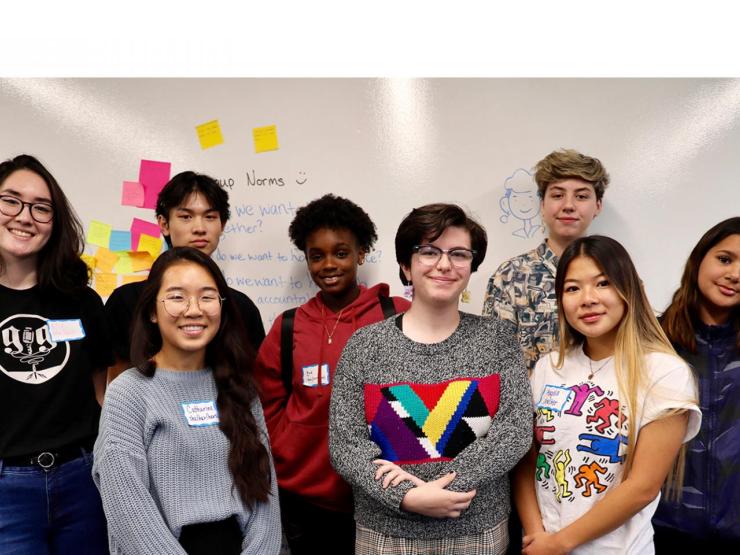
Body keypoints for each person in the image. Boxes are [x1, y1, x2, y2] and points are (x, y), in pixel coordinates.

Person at [329, 203, 532, 555]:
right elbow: (346, 445)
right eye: (428, 251)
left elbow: (514, 432)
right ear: (406, 267)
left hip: (479, 532)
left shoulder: (497, 340)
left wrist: (441, 488)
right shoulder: (364, 346)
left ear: (471, 267)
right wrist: (406, 496)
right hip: (384, 535)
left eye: (458, 254)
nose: (444, 264)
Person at [513, 235, 701, 555]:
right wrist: (536, 535)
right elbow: (526, 459)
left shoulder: (664, 373)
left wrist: (559, 543)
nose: (587, 299)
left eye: (602, 283)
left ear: (628, 289)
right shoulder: (548, 368)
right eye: (572, 288)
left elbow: (642, 487)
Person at [93, 247, 280, 554]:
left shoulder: (239, 387)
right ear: (153, 310)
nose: (194, 309)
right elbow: (128, 509)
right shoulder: (129, 393)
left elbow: (265, 491)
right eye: (177, 297)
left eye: (207, 297)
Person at [254, 193, 410, 554]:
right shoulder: (289, 326)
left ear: (361, 253)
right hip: (306, 500)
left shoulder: (396, 315)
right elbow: (266, 402)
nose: (328, 265)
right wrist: (287, 447)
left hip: (385, 493)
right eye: (316, 255)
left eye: (341, 253)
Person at [0, 154, 111, 554]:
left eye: (41, 207)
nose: (24, 216)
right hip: (6, 490)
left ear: (55, 220)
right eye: (10, 200)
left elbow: (101, 389)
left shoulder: (81, 301)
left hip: (82, 480)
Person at [105, 171, 265, 382]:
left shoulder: (242, 307)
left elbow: (251, 383)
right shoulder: (126, 301)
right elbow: (117, 382)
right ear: (164, 224)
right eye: (186, 217)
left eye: (210, 217)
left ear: (222, 225)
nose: (199, 228)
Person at [652, 217, 740, 551]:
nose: (735, 274)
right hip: (663, 526)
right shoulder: (654, 339)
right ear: (699, 259)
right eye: (725, 259)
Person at [483, 149, 610, 374]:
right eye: (558, 195)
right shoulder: (510, 275)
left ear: (597, 205)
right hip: (528, 406)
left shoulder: (615, 271)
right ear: (542, 204)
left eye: (581, 196)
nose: (568, 205)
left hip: (600, 403)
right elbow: (492, 359)